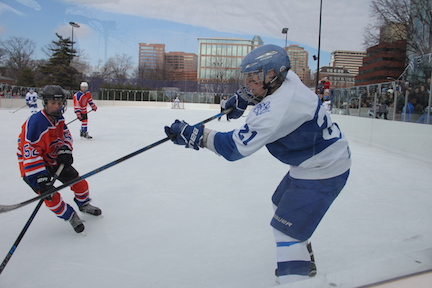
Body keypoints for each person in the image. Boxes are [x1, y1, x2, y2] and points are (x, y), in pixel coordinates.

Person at [165, 45, 351, 285]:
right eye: (248, 77)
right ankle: (304, 257)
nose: (249, 83)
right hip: (314, 162)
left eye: (254, 78)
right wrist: (244, 97)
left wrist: (198, 135)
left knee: (286, 231)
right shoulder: (287, 78)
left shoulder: (276, 109)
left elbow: (234, 148)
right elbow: (267, 95)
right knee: (279, 204)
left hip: (323, 170)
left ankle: (298, 277)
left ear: (272, 75)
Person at [17, 85, 102, 233]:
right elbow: (30, 152)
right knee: (51, 197)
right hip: (32, 167)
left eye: (59, 103)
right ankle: (70, 216)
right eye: (52, 103)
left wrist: (65, 149)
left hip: (52, 159)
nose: (56, 107)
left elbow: (66, 135)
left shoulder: (59, 119)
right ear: (45, 103)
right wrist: (40, 179)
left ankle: (83, 204)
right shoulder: (36, 122)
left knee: (80, 184)